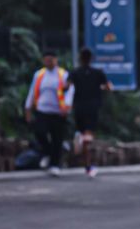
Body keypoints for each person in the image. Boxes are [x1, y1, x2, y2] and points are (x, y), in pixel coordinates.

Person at [24, 50, 74, 176]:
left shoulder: (63, 75)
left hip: (58, 111)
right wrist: (28, 108)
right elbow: (32, 91)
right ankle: (47, 152)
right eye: (46, 60)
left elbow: (70, 91)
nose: (49, 62)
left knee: (57, 138)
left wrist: (67, 106)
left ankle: (55, 164)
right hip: (42, 110)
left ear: (56, 60)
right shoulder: (39, 75)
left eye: (51, 59)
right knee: (39, 132)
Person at [67, 47, 112, 178]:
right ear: (91, 59)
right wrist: (101, 87)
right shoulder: (98, 73)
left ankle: (79, 138)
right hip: (92, 107)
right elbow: (108, 87)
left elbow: (65, 86)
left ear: (80, 58)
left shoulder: (75, 72)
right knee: (88, 136)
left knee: (83, 133)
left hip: (79, 107)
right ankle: (88, 165)